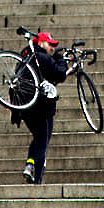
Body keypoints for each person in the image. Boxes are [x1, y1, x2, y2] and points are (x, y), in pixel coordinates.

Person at [20, 31, 68, 184]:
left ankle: (30, 164)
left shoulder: (26, 56)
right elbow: (60, 74)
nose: (52, 48)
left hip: (24, 106)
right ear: (40, 43)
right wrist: (60, 59)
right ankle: (37, 179)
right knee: (42, 141)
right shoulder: (43, 57)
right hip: (41, 108)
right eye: (50, 44)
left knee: (39, 138)